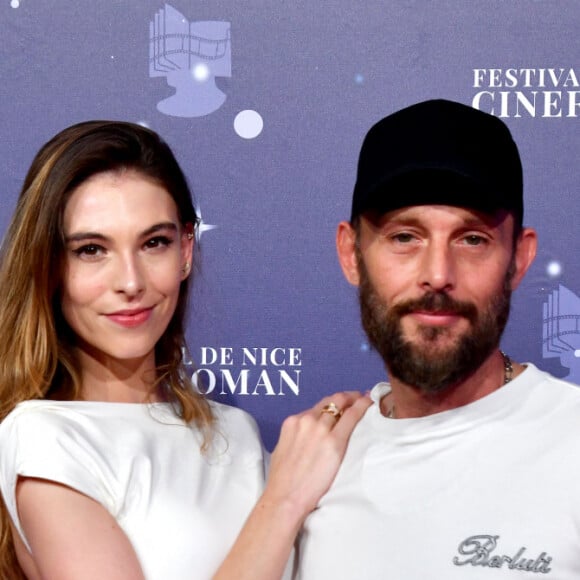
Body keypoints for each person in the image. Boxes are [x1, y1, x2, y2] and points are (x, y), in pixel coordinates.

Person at [0, 120, 371, 579]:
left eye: (154, 243)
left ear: (186, 251)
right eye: (92, 250)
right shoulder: (46, 439)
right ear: (50, 266)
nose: (131, 282)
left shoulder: (234, 431)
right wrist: (285, 499)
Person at [294, 99, 580, 578]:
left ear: (520, 259)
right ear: (350, 253)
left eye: (472, 239)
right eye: (405, 237)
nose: (437, 275)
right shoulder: (309, 467)